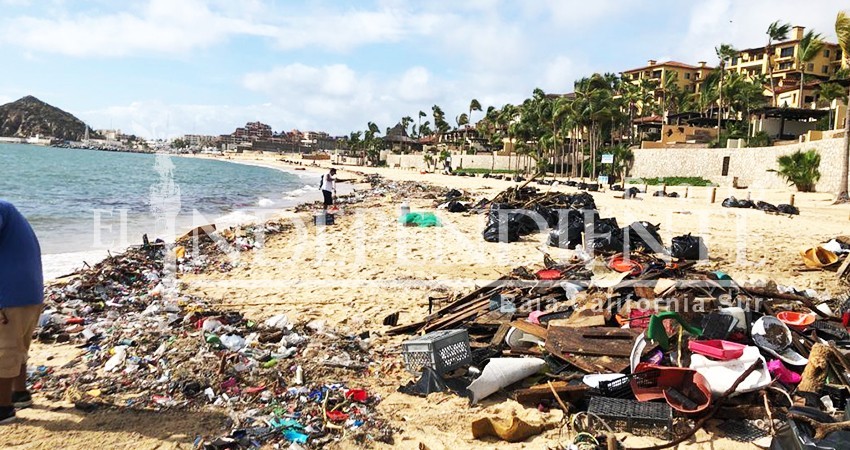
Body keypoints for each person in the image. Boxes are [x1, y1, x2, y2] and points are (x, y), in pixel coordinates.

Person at [0, 200, 43, 424]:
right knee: (17, 347)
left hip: (9, 296)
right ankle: (20, 394)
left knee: (5, 351)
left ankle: (3, 408)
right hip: (30, 293)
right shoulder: (8, 209)